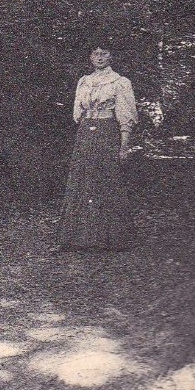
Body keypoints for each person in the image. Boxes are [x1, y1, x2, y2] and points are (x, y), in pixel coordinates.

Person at [57, 44, 138, 251]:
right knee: (82, 181)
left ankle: (110, 239)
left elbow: (125, 117)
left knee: (106, 179)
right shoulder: (84, 82)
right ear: (90, 57)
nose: (99, 57)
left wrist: (124, 146)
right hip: (85, 133)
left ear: (112, 57)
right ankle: (77, 239)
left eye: (104, 53)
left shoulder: (120, 82)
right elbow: (77, 115)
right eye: (95, 53)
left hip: (107, 133)